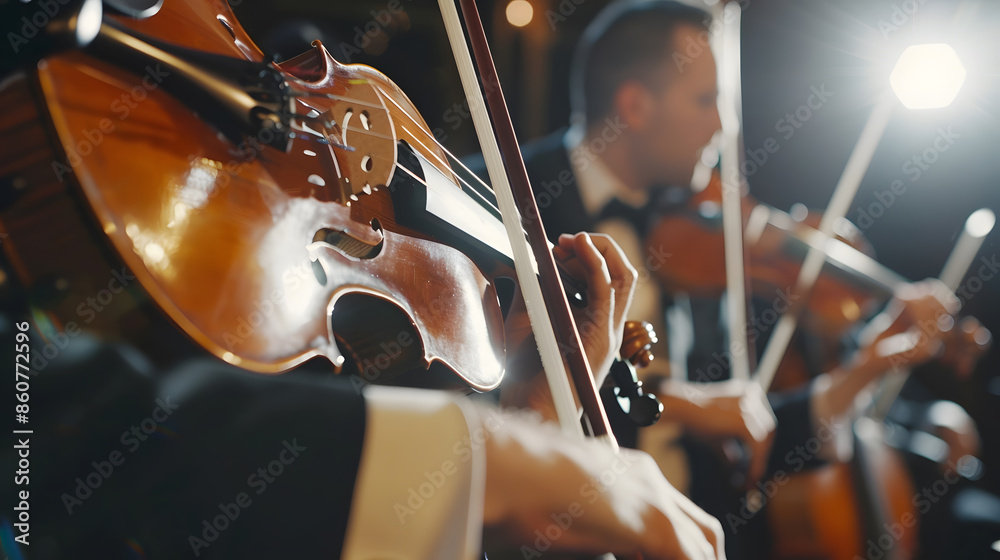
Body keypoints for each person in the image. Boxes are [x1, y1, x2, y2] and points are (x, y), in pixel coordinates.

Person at [466, 0, 995, 558]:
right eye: (705, 100)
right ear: (635, 106)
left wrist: (866, 370)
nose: (725, 124)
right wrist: (683, 403)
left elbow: (747, 434)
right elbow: (491, 396)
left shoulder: (702, 246)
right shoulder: (497, 199)